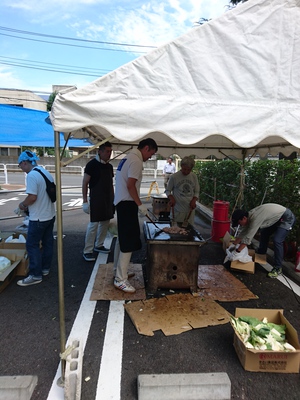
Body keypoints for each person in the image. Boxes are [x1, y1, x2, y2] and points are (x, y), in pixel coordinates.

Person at [114, 138, 158, 293]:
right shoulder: (136, 161)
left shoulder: (127, 157)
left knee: (122, 238)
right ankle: (120, 279)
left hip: (121, 202)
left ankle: (118, 271)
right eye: (151, 154)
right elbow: (130, 185)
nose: (149, 157)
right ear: (146, 148)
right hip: (127, 203)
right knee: (129, 241)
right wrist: (140, 205)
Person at [16, 150, 56, 286]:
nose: (20, 168)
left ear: (25, 162)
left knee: (32, 245)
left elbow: (32, 197)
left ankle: (35, 275)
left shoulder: (32, 175)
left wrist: (22, 205)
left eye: (20, 165)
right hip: (50, 214)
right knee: (47, 243)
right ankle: (45, 268)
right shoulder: (44, 172)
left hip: (38, 218)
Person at [231, 203, 295, 278]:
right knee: (264, 233)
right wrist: (233, 245)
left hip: (286, 218)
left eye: (239, 223)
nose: (240, 225)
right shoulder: (249, 216)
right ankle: (261, 254)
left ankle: (278, 268)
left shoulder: (255, 219)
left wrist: (237, 251)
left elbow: (248, 237)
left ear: (244, 218)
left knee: (277, 240)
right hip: (276, 218)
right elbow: (243, 232)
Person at [82, 141, 115, 261]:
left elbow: (111, 184)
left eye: (110, 151)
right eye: (107, 151)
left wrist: (113, 199)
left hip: (107, 199)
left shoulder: (109, 166)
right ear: (99, 151)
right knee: (93, 225)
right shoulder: (92, 165)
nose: (109, 154)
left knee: (105, 222)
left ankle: (99, 245)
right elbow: (85, 182)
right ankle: (87, 250)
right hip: (95, 199)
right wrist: (85, 201)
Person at [165, 156, 199, 225]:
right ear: (181, 166)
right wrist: (171, 198)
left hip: (190, 209)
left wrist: (194, 200)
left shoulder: (194, 176)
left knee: (188, 230)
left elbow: (197, 191)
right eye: (184, 169)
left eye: (188, 170)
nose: (186, 172)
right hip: (177, 209)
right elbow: (168, 190)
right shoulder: (174, 177)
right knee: (176, 229)